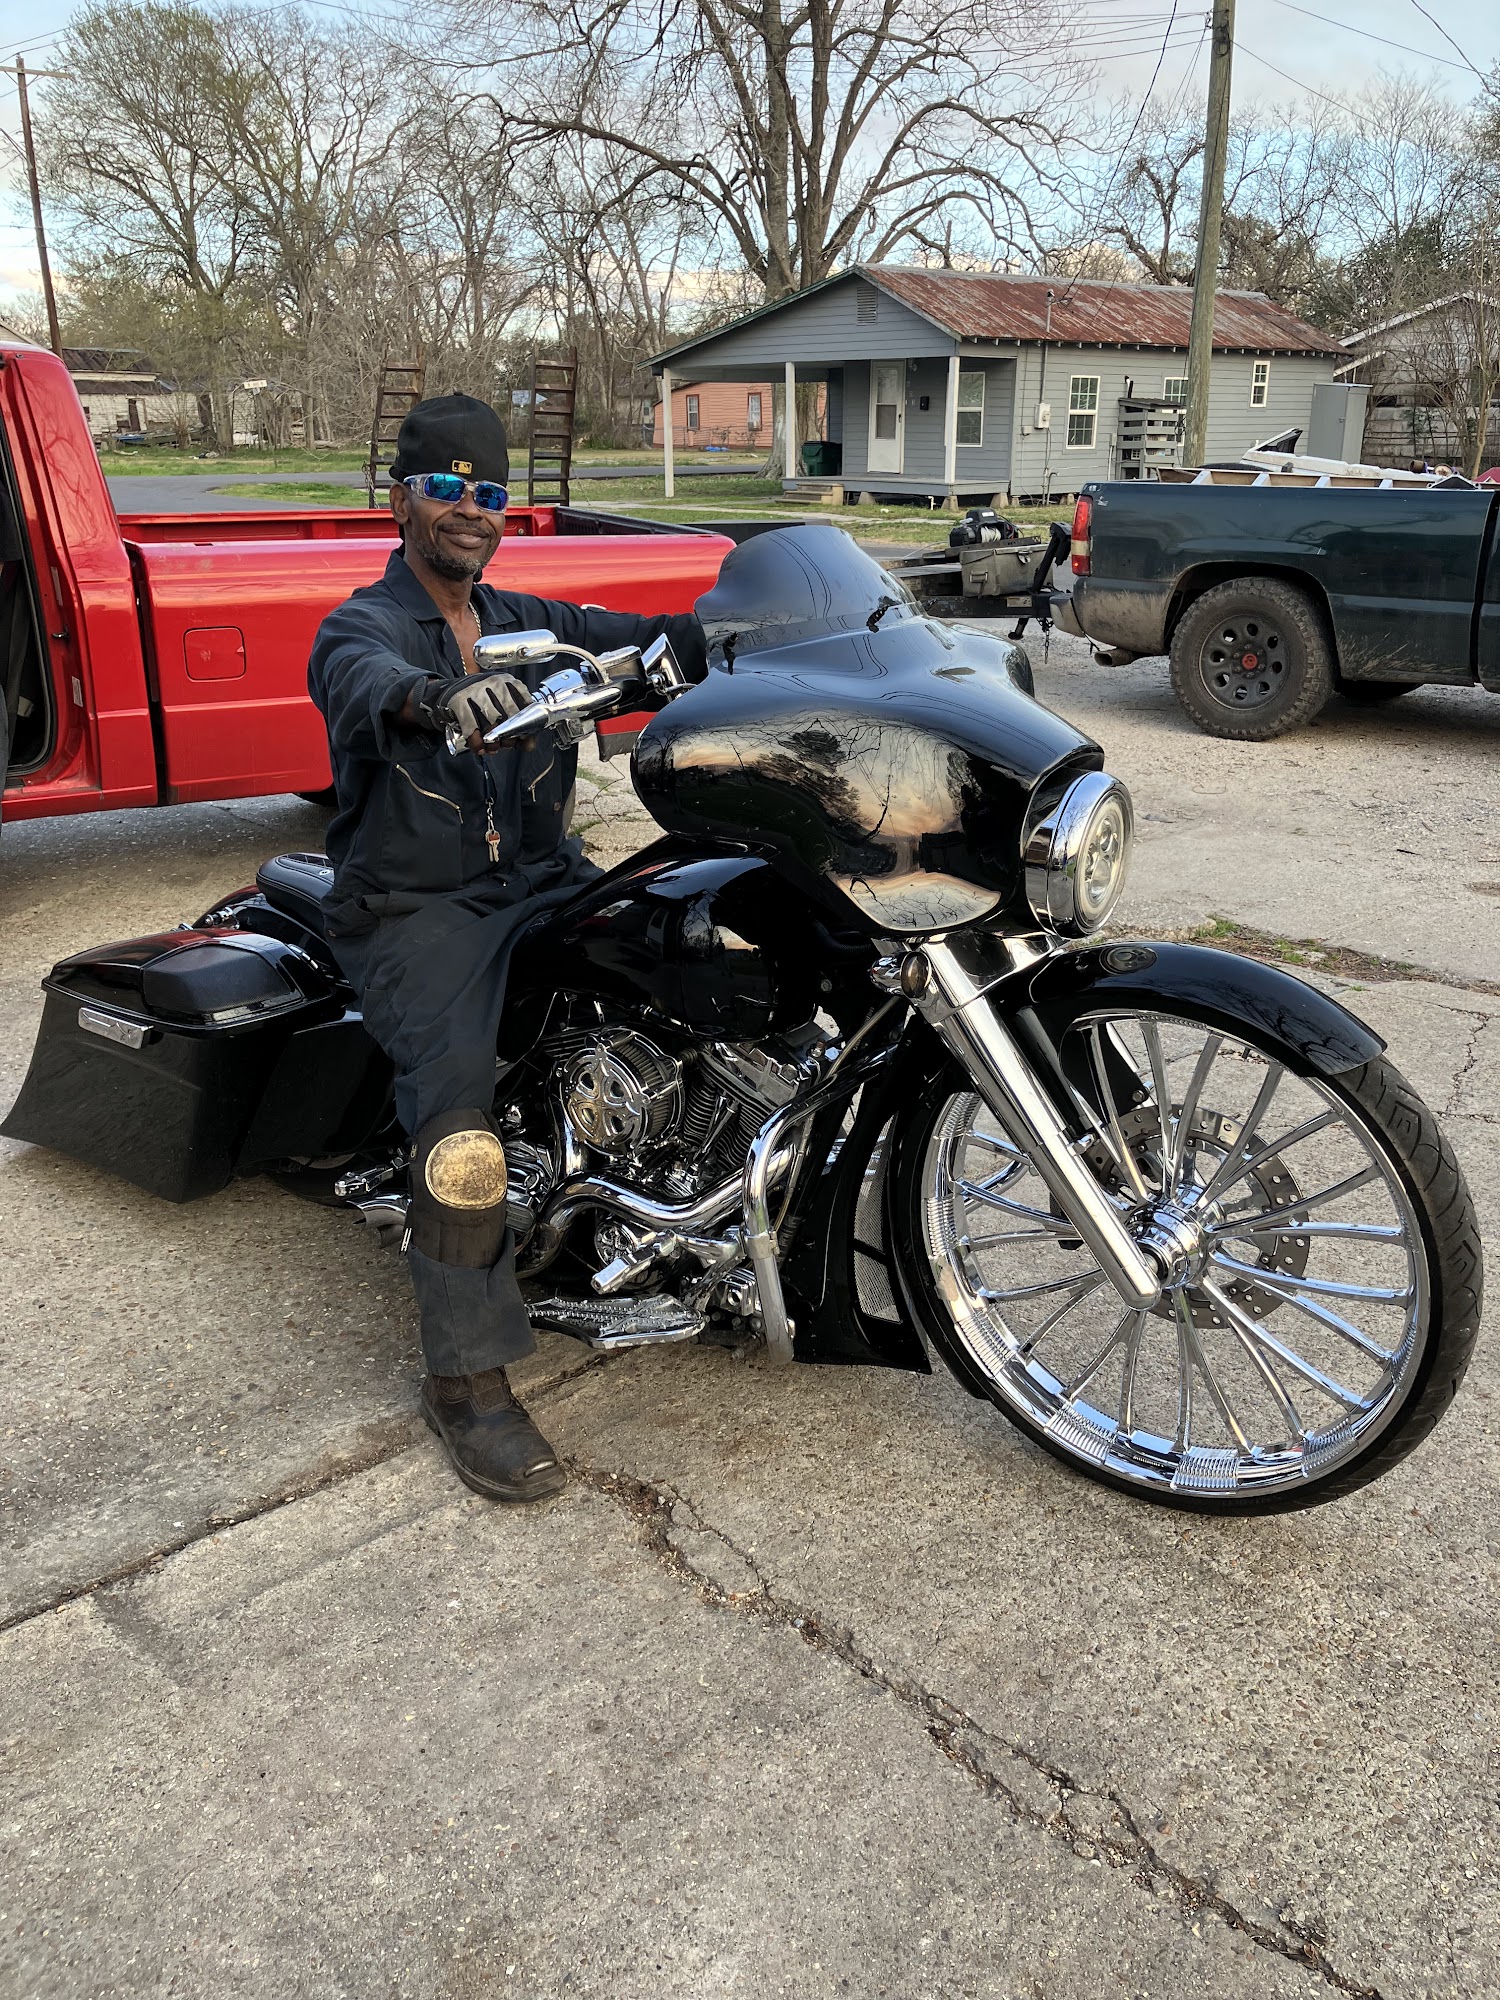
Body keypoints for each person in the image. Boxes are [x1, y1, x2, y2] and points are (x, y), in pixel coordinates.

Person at [308, 394, 706, 1504]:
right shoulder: (362, 627)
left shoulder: (529, 617)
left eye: (488, 491)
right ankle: (466, 1380)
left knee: (695, 939)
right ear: (402, 499)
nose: (470, 509)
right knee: (457, 1111)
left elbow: (647, 636)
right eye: (446, 488)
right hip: (417, 906)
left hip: (543, 879)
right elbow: (365, 684)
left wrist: (753, 628)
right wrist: (437, 695)